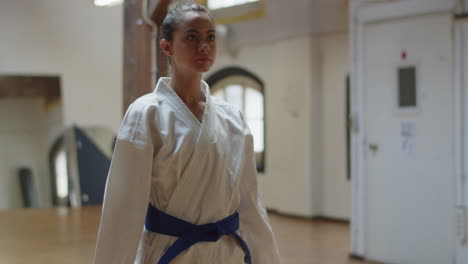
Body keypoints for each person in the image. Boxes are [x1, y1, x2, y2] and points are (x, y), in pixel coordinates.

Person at [93, 4, 281, 264]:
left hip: (227, 254)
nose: (204, 46)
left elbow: (250, 205)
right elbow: (123, 211)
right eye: (192, 36)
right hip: (171, 253)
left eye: (210, 37)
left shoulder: (232, 118)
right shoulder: (146, 114)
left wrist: (267, 259)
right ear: (167, 47)